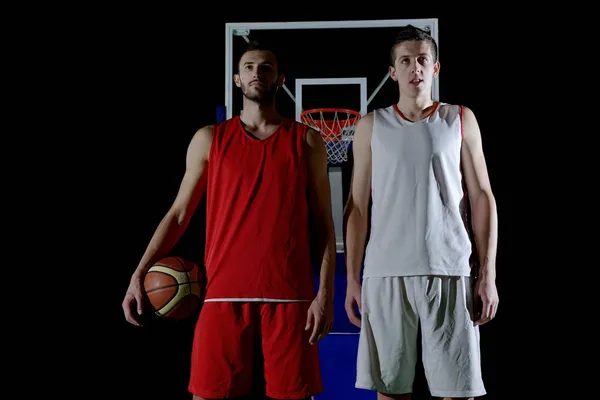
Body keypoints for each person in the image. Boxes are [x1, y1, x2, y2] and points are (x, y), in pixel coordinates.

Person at [122, 40, 336, 400]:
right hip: (223, 293)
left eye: (266, 67)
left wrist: (325, 294)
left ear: (280, 79)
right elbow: (178, 214)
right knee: (209, 395)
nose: (257, 73)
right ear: (237, 79)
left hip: (290, 295)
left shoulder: (307, 140)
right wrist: (138, 272)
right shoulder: (209, 139)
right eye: (250, 67)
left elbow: (323, 224)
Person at [343, 25, 499, 400]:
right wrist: (352, 278)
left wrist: (488, 273)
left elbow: (482, 197)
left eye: (423, 60)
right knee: (390, 392)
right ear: (393, 72)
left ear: (435, 68)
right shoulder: (370, 126)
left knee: (457, 392)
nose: (415, 67)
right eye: (406, 60)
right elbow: (358, 207)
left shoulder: (460, 118)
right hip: (385, 272)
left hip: (448, 269)